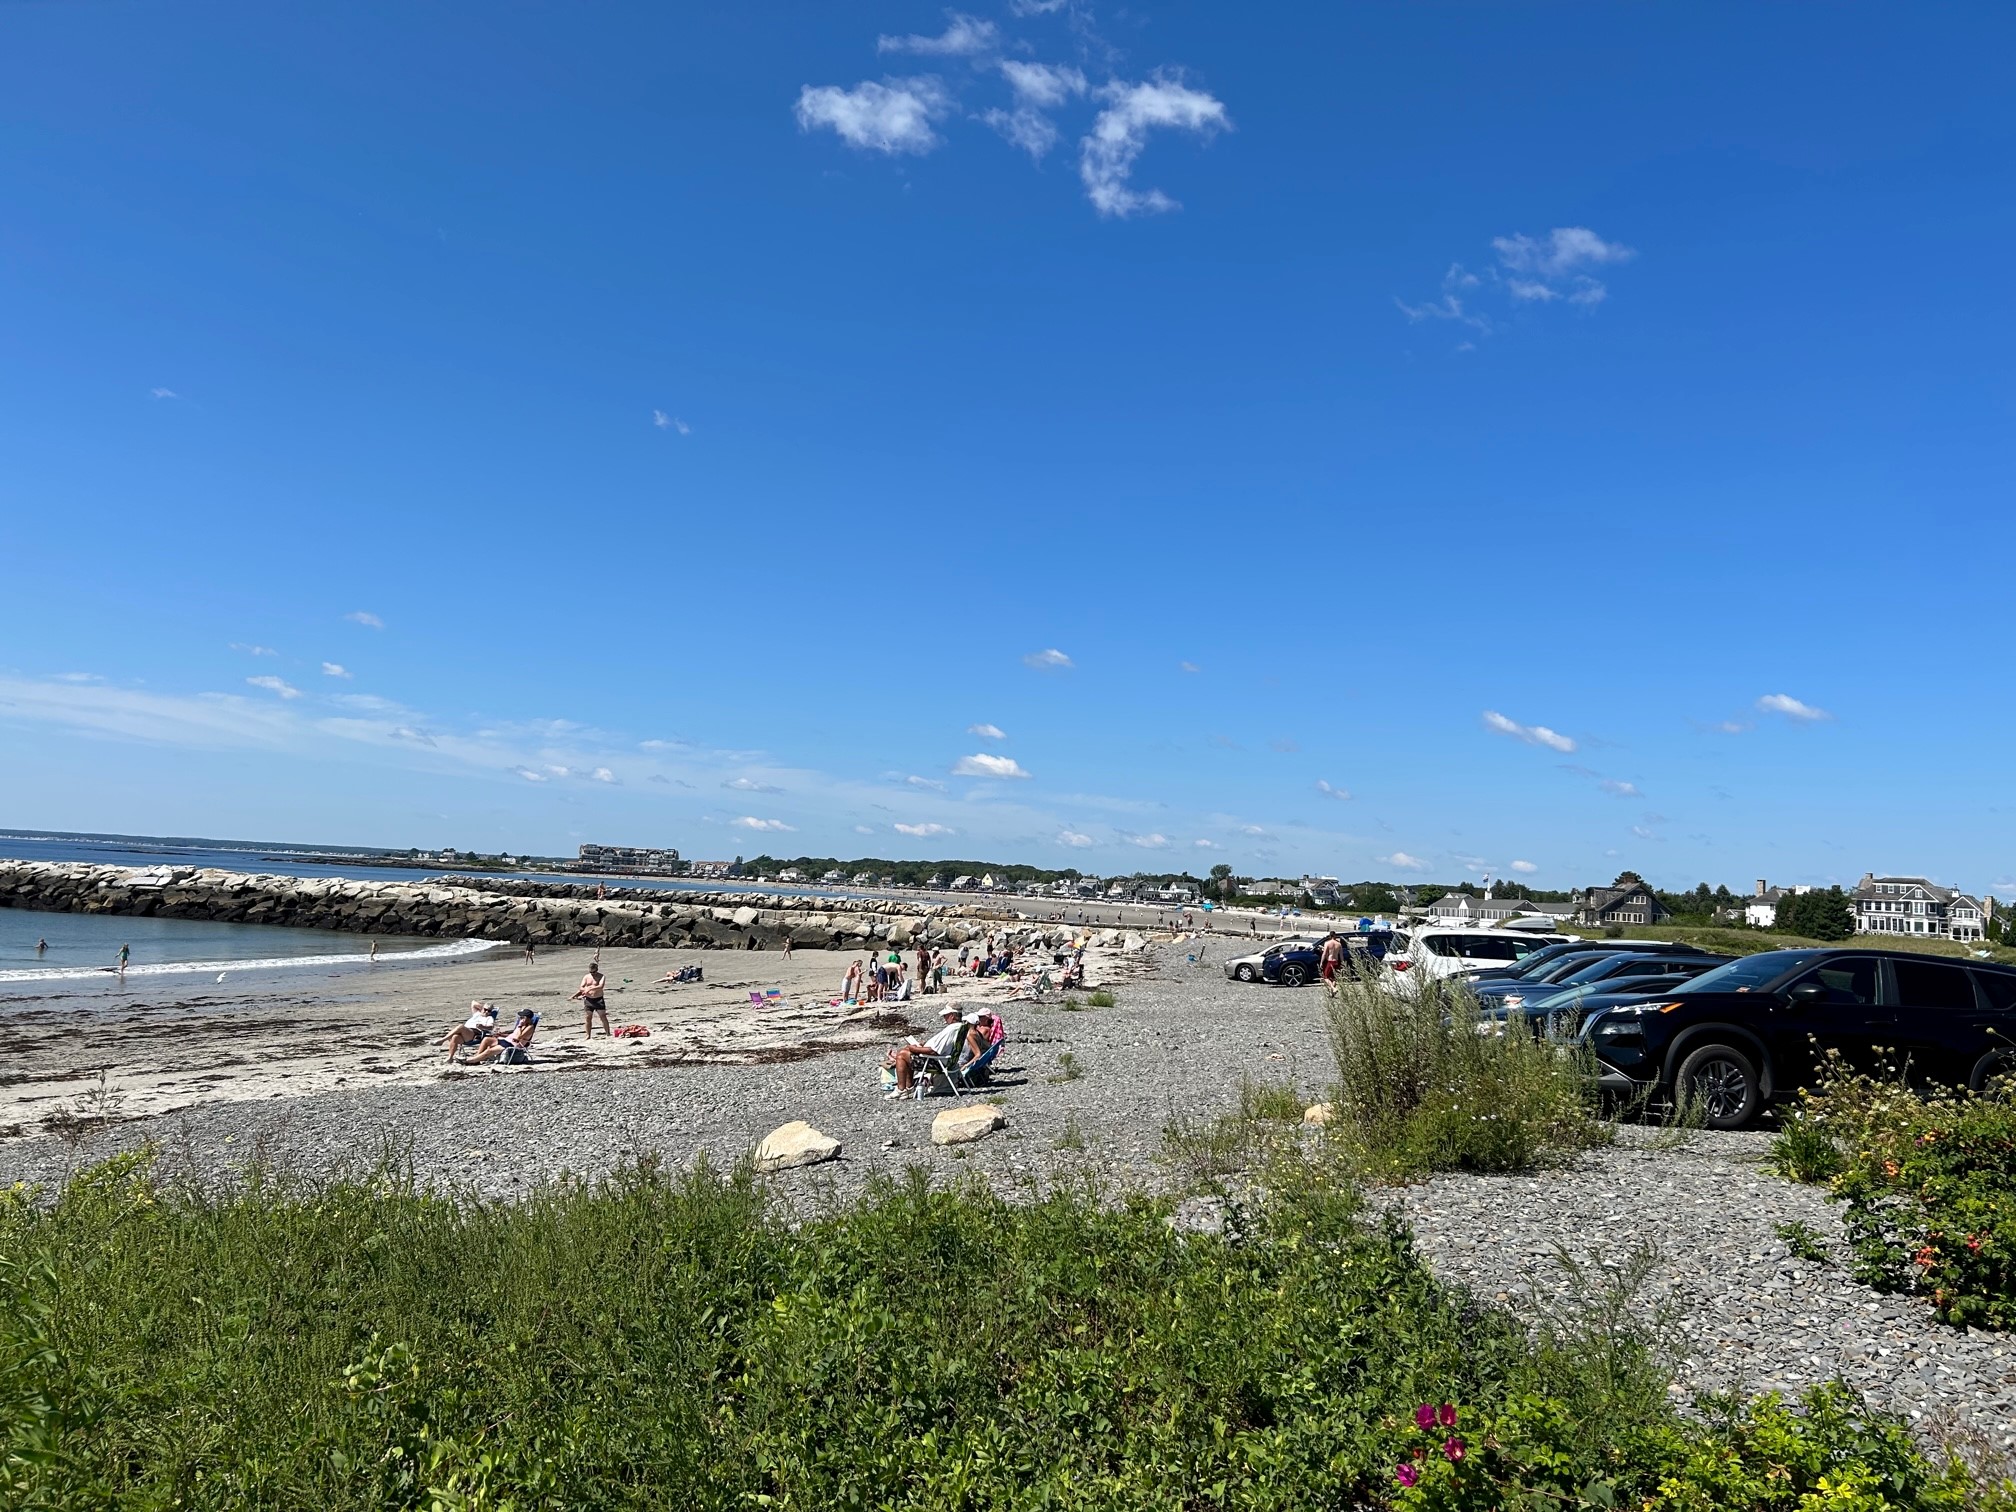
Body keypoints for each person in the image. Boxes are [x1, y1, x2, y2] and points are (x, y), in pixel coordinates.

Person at [884, 1004, 979, 1098]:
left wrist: (915, 1049)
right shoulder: (961, 1027)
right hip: (948, 1062)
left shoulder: (951, 1029)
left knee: (902, 1055)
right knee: (906, 1053)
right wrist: (920, 1047)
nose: (944, 1018)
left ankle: (901, 1089)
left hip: (937, 1062)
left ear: (952, 1015)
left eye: (945, 1015)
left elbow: (933, 1051)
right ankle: (908, 1088)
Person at [473, 1009, 538, 1064]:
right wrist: (501, 1035)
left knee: (489, 1051)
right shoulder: (522, 1025)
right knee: (486, 1039)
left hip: (512, 1044)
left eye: (522, 1017)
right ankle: (477, 1058)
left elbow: (518, 1037)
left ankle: (472, 1060)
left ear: (527, 1018)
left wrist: (520, 1025)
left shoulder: (530, 1027)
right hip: (507, 1040)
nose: (520, 1019)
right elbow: (513, 1035)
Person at [572, 961, 611, 1037]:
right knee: (588, 1017)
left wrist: (590, 988)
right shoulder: (586, 977)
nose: (593, 974)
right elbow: (581, 987)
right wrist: (584, 990)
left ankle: (608, 1033)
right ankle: (588, 1035)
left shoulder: (601, 976)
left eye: (594, 972)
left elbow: (601, 986)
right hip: (589, 999)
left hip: (598, 999)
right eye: (591, 972)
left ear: (597, 969)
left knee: (603, 1016)